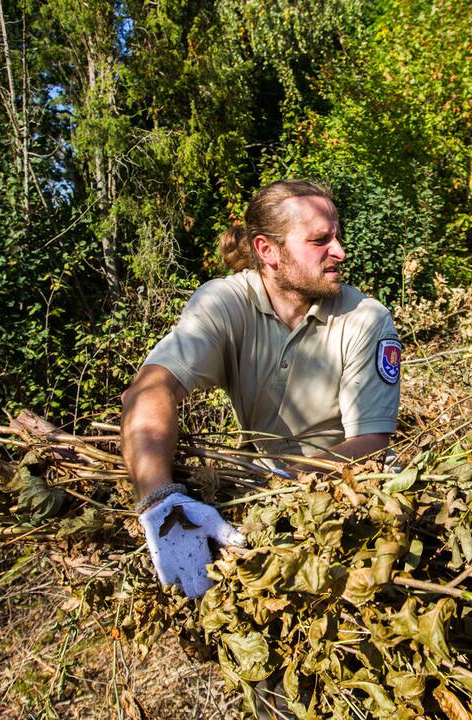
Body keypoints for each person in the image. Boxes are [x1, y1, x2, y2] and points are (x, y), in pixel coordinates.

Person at [121, 180, 402, 597]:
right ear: (267, 251)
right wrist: (160, 504)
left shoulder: (365, 319)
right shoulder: (224, 303)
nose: (340, 251)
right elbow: (147, 393)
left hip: (345, 505)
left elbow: (372, 442)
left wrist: (281, 486)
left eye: (337, 236)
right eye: (320, 240)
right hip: (259, 497)